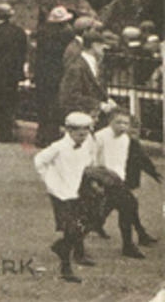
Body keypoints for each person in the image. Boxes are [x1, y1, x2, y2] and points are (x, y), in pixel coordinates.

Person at [34, 112, 97, 283]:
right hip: (61, 193)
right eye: (78, 130)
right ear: (68, 129)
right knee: (70, 227)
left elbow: (89, 163)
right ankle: (66, 268)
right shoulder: (58, 147)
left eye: (86, 129)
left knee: (86, 222)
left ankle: (71, 250)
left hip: (77, 191)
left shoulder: (86, 145)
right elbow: (39, 161)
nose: (82, 133)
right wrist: (50, 180)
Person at [93, 108, 159, 256]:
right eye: (119, 122)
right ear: (110, 122)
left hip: (117, 181)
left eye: (126, 123)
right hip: (103, 178)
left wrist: (121, 182)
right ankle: (131, 243)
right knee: (129, 205)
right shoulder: (99, 137)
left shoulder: (125, 139)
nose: (123, 126)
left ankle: (131, 242)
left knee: (124, 207)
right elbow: (92, 160)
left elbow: (120, 163)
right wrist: (96, 182)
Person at [0, 3, 27, 142]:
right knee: (12, 100)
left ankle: (3, 132)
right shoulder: (19, 32)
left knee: (0, 101)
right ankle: (11, 127)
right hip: (13, 72)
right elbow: (24, 52)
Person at [35, 5, 75, 146]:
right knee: (55, 104)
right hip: (58, 72)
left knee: (43, 105)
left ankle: (41, 135)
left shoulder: (42, 32)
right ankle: (52, 134)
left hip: (42, 73)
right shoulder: (67, 34)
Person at [58, 29, 116, 120]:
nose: (104, 51)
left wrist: (107, 99)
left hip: (93, 115)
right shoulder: (76, 67)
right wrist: (99, 105)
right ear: (94, 46)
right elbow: (71, 96)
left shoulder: (95, 64)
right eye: (102, 47)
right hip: (81, 116)